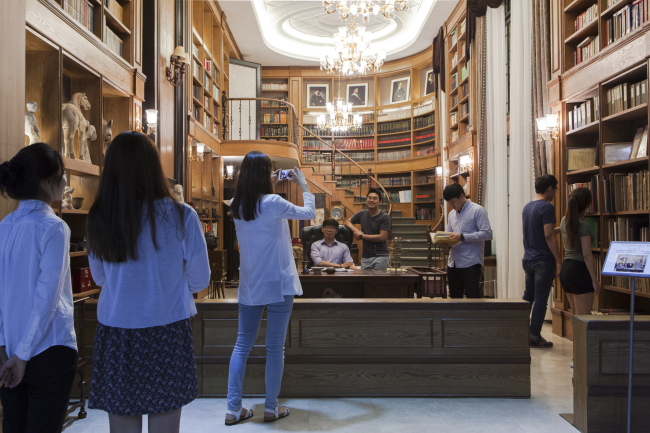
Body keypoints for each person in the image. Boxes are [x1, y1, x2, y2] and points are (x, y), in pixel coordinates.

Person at [86, 132, 210, 433]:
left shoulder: (100, 217)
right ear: (153, 167)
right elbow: (200, 279)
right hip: (168, 329)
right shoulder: (182, 215)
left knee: (123, 424)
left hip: (117, 331)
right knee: (165, 423)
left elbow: (100, 278)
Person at [227, 152, 315, 426]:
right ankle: (270, 407)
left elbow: (258, 210)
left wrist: (270, 189)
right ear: (265, 174)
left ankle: (233, 409)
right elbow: (309, 213)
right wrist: (304, 185)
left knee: (242, 345)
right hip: (278, 283)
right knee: (275, 347)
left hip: (250, 284)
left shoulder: (235, 205)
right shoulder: (274, 202)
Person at [0, 143, 78, 433]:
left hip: (9, 351)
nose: (66, 182)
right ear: (48, 182)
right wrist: (23, 355)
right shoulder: (53, 227)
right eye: (63, 174)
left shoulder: (4, 227)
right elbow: (47, 300)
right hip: (50, 349)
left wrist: (7, 351)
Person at [521, 174, 561, 348]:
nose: (555, 193)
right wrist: (559, 260)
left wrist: (559, 229)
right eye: (556, 189)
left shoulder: (527, 207)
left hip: (528, 259)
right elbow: (548, 235)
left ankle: (521, 332)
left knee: (528, 297)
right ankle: (534, 336)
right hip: (543, 261)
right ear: (550, 188)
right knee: (540, 299)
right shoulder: (547, 207)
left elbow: (542, 230)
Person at [443, 183, 492, 298]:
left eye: (453, 201)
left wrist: (463, 237)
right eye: (449, 203)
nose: (451, 205)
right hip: (453, 262)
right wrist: (444, 242)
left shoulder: (478, 210)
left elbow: (487, 233)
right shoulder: (451, 214)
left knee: (473, 298)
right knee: (454, 298)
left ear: (461, 196)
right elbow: (448, 234)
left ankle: (475, 317)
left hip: (470, 262)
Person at [559, 187, 600, 317]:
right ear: (587, 205)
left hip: (566, 270)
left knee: (576, 315)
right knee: (583, 318)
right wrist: (594, 280)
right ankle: (579, 339)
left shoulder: (564, 220)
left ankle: (575, 338)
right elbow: (587, 255)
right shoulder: (583, 225)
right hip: (579, 270)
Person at [345, 188, 391, 270]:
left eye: (374, 198)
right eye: (369, 198)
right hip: (366, 256)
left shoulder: (385, 217)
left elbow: (382, 237)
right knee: (365, 281)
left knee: (377, 282)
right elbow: (347, 222)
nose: (371, 200)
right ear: (366, 200)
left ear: (380, 202)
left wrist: (362, 235)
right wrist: (356, 231)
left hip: (380, 256)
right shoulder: (362, 214)